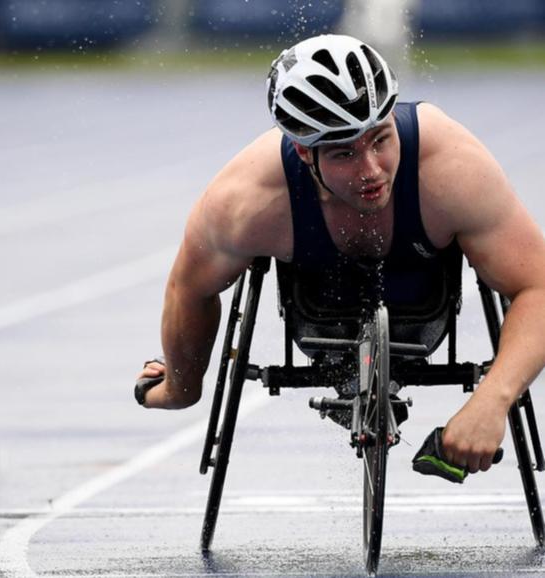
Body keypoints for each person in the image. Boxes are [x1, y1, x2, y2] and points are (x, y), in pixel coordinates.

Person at [134, 34, 545, 476]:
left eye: (380, 140)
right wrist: (181, 385)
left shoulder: (451, 168)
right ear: (303, 152)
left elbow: (537, 286)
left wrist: (492, 400)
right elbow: (188, 288)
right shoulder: (245, 200)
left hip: (425, 310)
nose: (371, 170)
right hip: (317, 316)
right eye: (345, 153)